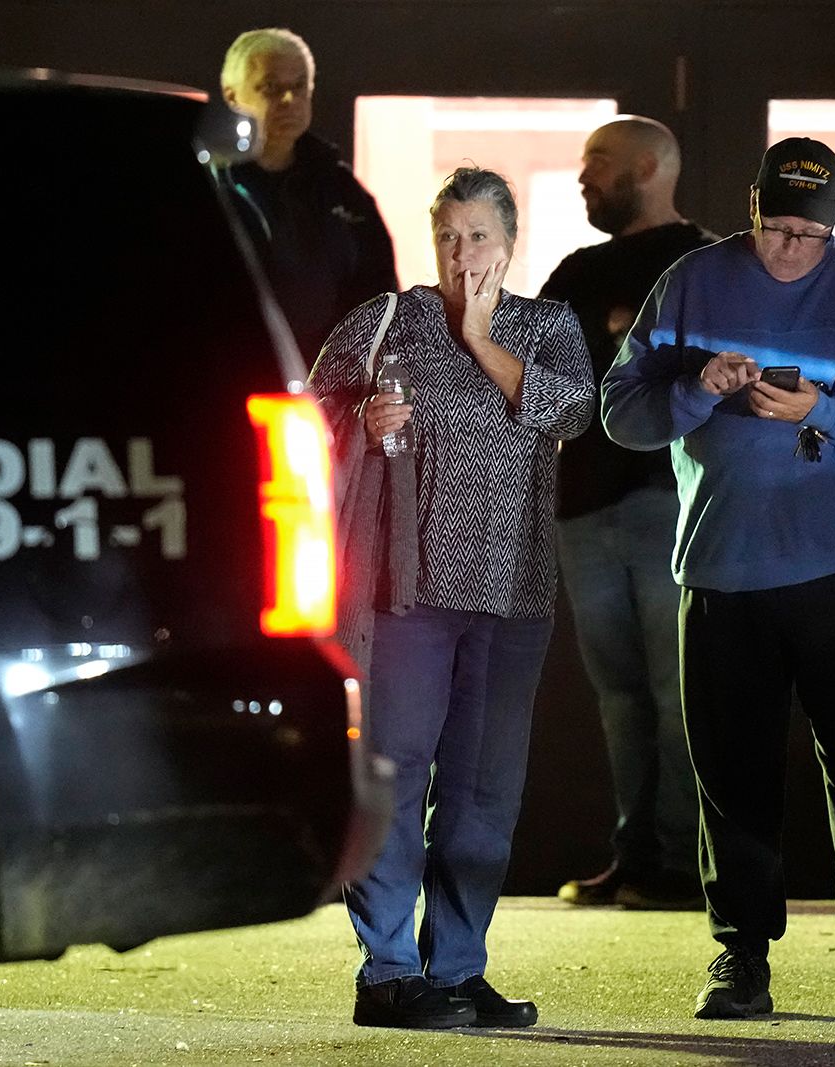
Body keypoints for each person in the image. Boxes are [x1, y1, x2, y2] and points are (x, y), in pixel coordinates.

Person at [601, 137, 835, 1021]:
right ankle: (740, 956)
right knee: (732, 774)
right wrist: (695, 387)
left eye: (809, 234)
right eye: (778, 229)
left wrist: (825, 408)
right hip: (727, 568)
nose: (792, 249)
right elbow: (621, 413)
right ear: (751, 209)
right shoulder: (690, 281)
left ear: (832, 226)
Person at [308, 167, 595, 1030]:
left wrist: (480, 335)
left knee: (482, 792)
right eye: (449, 236)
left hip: (514, 591)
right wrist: (357, 421)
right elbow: (305, 410)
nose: (462, 253)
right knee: (396, 777)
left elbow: (573, 411)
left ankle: (460, 968)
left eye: (478, 237)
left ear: (510, 243)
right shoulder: (384, 320)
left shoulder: (545, 326)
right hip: (407, 588)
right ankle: (389, 971)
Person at [538, 117, 718, 911]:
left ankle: (679, 861)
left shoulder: (706, 263)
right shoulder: (577, 271)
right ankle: (634, 853)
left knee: (678, 690)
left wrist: (615, 344)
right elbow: (536, 369)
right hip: (581, 507)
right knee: (621, 693)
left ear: (649, 166)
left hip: (665, 501)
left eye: (599, 163)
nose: (584, 177)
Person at [219, 27, 397, 361]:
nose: (289, 99)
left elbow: (381, 299)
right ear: (232, 96)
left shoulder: (343, 191)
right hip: (233, 375)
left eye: (299, 86)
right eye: (271, 87)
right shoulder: (215, 186)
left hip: (329, 389)